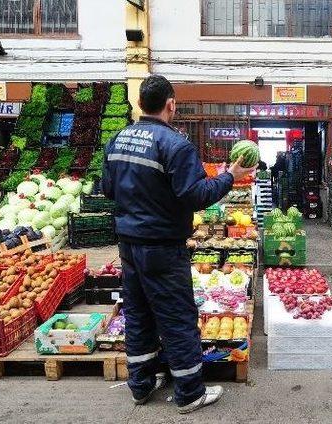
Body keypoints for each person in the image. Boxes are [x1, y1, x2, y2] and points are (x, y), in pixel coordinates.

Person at [101, 75, 255, 414]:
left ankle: (140, 385)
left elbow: (108, 189)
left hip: (129, 244)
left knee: (139, 313)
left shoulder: (118, 139)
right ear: (171, 104)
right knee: (177, 316)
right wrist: (231, 176)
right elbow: (195, 196)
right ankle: (188, 392)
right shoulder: (175, 145)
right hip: (162, 246)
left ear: (140, 103)